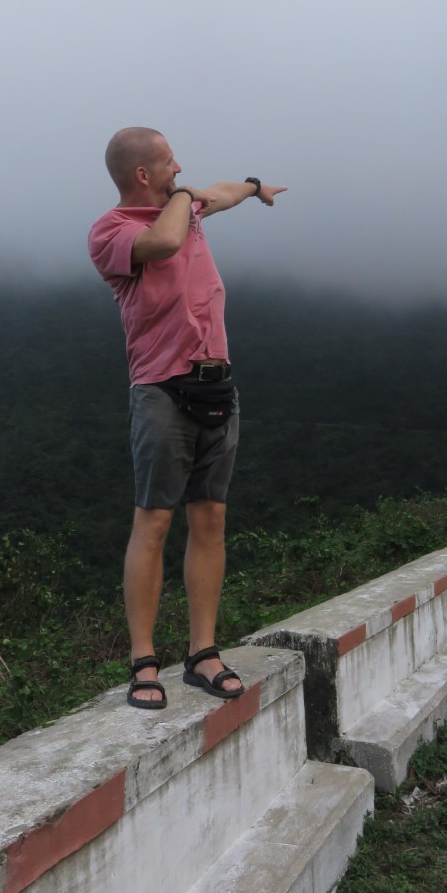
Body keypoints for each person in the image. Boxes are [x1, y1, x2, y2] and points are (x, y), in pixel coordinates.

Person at [88, 126, 286, 708]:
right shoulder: (112, 231)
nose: (181, 169)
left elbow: (216, 193)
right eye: (170, 163)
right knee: (154, 522)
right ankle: (143, 662)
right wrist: (184, 197)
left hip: (217, 385)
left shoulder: (187, 206)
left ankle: (203, 653)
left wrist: (252, 186)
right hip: (161, 392)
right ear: (143, 175)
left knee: (211, 518)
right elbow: (166, 241)